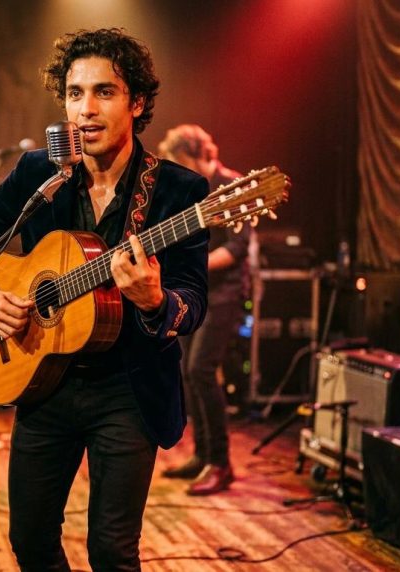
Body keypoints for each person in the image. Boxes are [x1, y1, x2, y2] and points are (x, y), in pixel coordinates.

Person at [0, 28, 209, 571]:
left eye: (103, 92)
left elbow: (193, 300)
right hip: (43, 380)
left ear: (138, 102)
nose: (85, 109)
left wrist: (155, 301)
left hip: (127, 390)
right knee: (29, 541)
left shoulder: (180, 192)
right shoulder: (41, 173)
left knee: (111, 552)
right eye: (74, 93)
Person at [157, 124, 248, 495]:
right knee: (188, 374)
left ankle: (221, 464)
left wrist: (192, 265)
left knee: (202, 371)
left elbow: (236, 250)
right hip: (193, 296)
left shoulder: (234, 186)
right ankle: (202, 455)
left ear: (196, 155)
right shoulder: (190, 191)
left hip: (224, 295)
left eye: (180, 163)